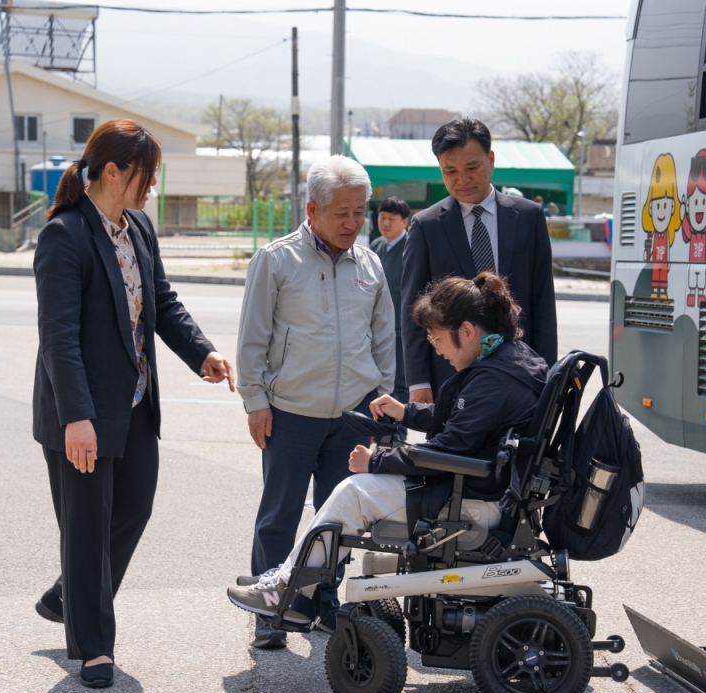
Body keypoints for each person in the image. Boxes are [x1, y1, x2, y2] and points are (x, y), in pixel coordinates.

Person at [32, 119, 234, 689]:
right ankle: (94, 646)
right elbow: (60, 337)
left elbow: (161, 303)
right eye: (146, 176)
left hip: (137, 404)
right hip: (83, 413)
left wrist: (203, 353)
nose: (151, 188)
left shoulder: (138, 227)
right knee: (87, 525)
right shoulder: (65, 236)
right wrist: (76, 417)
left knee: (133, 510)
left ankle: (70, 593)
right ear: (114, 170)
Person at [227, 273, 548, 621]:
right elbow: (463, 422)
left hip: (474, 494)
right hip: (487, 486)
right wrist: (406, 411)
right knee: (357, 490)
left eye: (437, 338)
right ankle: (293, 582)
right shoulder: (513, 356)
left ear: (468, 331)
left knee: (354, 491)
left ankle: (289, 592)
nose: (436, 349)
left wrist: (376, 460)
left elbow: (450, 448)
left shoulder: (494, 380)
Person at [236, 155, 396, 649]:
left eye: (359, 212)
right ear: (312, 209)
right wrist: (255, 400)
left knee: (337, 520)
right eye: (340, 213)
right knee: (279, 514)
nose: (352, 223)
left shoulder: (369, 262)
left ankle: (323, 604)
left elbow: (384, 338)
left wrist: (382, 400)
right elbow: (252, 339)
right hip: (289, 412)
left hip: (352, 415)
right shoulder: (276, 260)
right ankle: (270, 612)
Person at [402, 118, 557, 406]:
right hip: (450, 378)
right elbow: (413, 309)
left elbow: (543, 303)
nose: (462, 180)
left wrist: (549, 377)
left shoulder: (529, 217)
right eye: (450, 171)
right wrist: (419, 381)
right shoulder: (426, 226)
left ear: (491, 159)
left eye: (472, 168)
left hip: (520, 374)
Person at [368, 196, 412, 439]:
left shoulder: (411, 247)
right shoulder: (375, 247)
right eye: (381, 217)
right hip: (375, 330)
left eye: (391, 218)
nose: (385, 222)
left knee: (399, 385)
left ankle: (396, 435)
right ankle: (379, 430)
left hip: (401, 332)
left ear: (405, 221)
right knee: (376, 383)